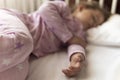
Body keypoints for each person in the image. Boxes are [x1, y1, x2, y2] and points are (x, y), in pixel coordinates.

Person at [0, 0, 110, 80]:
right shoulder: (63, 9)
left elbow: (76, 46)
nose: (93, 24)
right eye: (93, 18)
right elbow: (45, 9)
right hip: (15, 21)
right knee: (22, 41)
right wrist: (69, 37)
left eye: (96, 24)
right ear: (81, 8)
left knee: (19, 73)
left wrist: (77, 57)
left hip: (25, 50)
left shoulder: (79, 35)